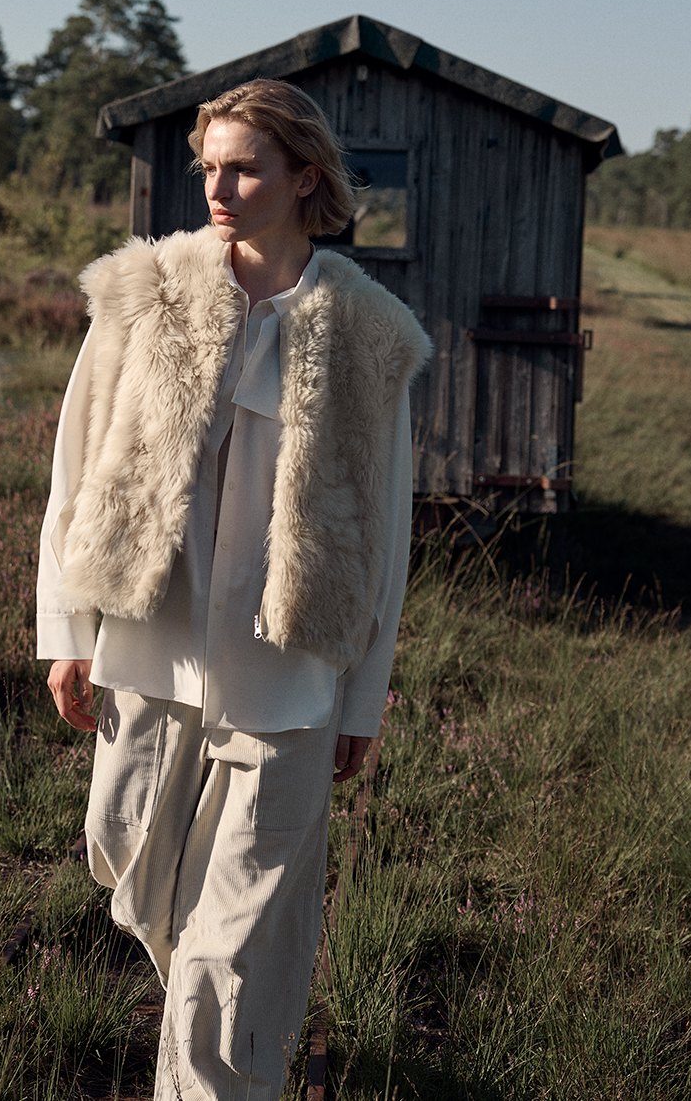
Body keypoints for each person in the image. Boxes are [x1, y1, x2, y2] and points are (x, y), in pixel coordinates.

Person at [37, 78, 431, 1100]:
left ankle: (212, 1078)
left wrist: (360, 698)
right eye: (207, 166)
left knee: (232, 945)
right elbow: (76, 466)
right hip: (148, 654)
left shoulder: (367, 331)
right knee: (130, 873)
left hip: (288, 682)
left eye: (244, 168)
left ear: (304, 178)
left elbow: (384, 537)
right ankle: (217, 1034)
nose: (217, 187)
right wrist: (66, 628)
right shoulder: (146, 292)